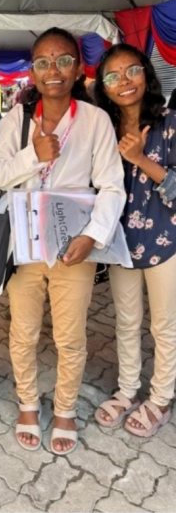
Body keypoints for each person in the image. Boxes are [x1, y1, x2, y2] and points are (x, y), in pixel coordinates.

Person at [0, 27, 124, 454]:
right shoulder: (15, 119)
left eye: (64, 60)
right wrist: (34, 155)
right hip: (25, 245)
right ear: (32, 71)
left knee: (70, 336)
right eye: (44, 62)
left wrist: (92, 236)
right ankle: (28, 403)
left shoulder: (96, 121)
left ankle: (64, 409)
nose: (54, 70)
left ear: (78, 67)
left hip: (73, 247)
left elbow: (113, 187)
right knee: (23, 332)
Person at [92, 44, 176, 438]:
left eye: (132, 71)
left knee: (165, 325)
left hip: (166, 240)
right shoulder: (101, 130)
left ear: (146, 73)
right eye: (112, 76)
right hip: (120, 243)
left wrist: (141, 159)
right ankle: (127, 391)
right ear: (103, 88)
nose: (123, 82)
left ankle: (160, 397)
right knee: (126, 321)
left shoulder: (170, 122)